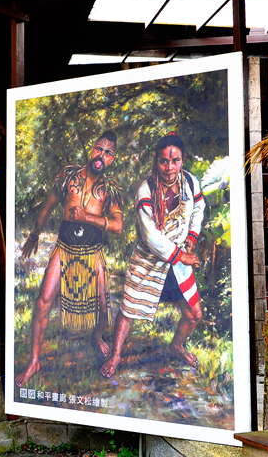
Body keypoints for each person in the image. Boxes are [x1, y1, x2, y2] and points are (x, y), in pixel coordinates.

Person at [16, 132, 124, 387]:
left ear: (112, 159)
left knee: (103, 308)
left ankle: (97, 336)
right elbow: (48, 206)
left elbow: (118, 225)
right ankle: (34, 361)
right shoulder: (68, 177)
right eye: (99, 149)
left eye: (108, 153)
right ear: (92, 148)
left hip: (92, 251)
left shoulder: (110, 189)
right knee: (43, 301)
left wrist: (88, 218)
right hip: (64, 247)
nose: (102, 155)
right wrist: (34, 234)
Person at [102, 133, 205, 379]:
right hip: (149, 261)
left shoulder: (190, 182)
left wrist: (192, 234)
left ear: (182, 160)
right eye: (164, 161)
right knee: (129, 309)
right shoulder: (145, 190)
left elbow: (198, 209)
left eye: (175, 161)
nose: (169, 168)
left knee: (194, 315)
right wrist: (181, 255)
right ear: (156, 161)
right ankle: (115, 355)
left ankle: (176, 346)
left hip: (178, 264)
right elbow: (150, 236)